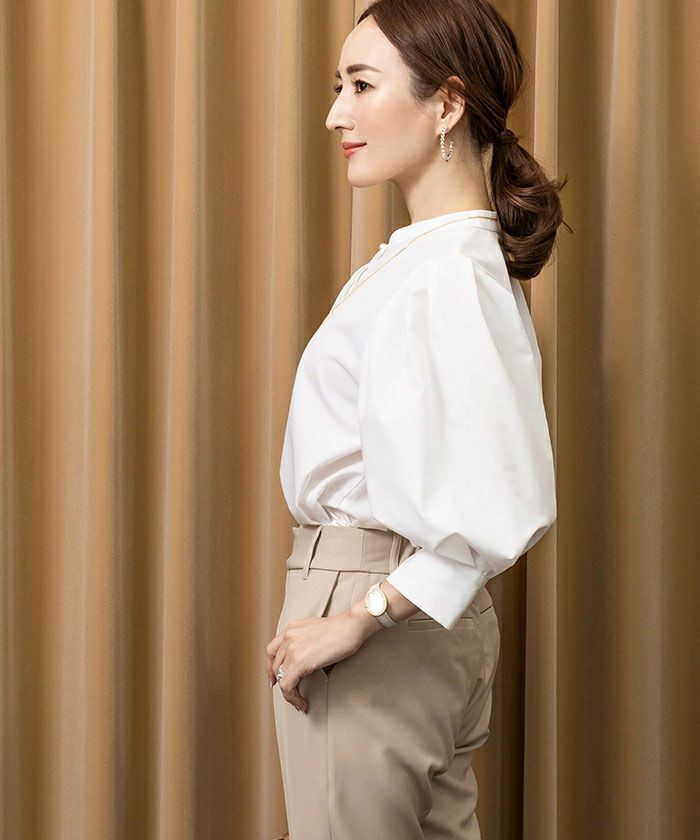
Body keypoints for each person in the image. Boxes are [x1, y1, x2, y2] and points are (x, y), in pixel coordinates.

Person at [266, 1, 566, 837]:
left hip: (376, 614)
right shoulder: (439, 262)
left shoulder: (446, 274)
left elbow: (509, 500)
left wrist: (361, 614)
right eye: (339, 86)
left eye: (362, 85)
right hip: (416, 620)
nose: (337, 114)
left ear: (448, 104)